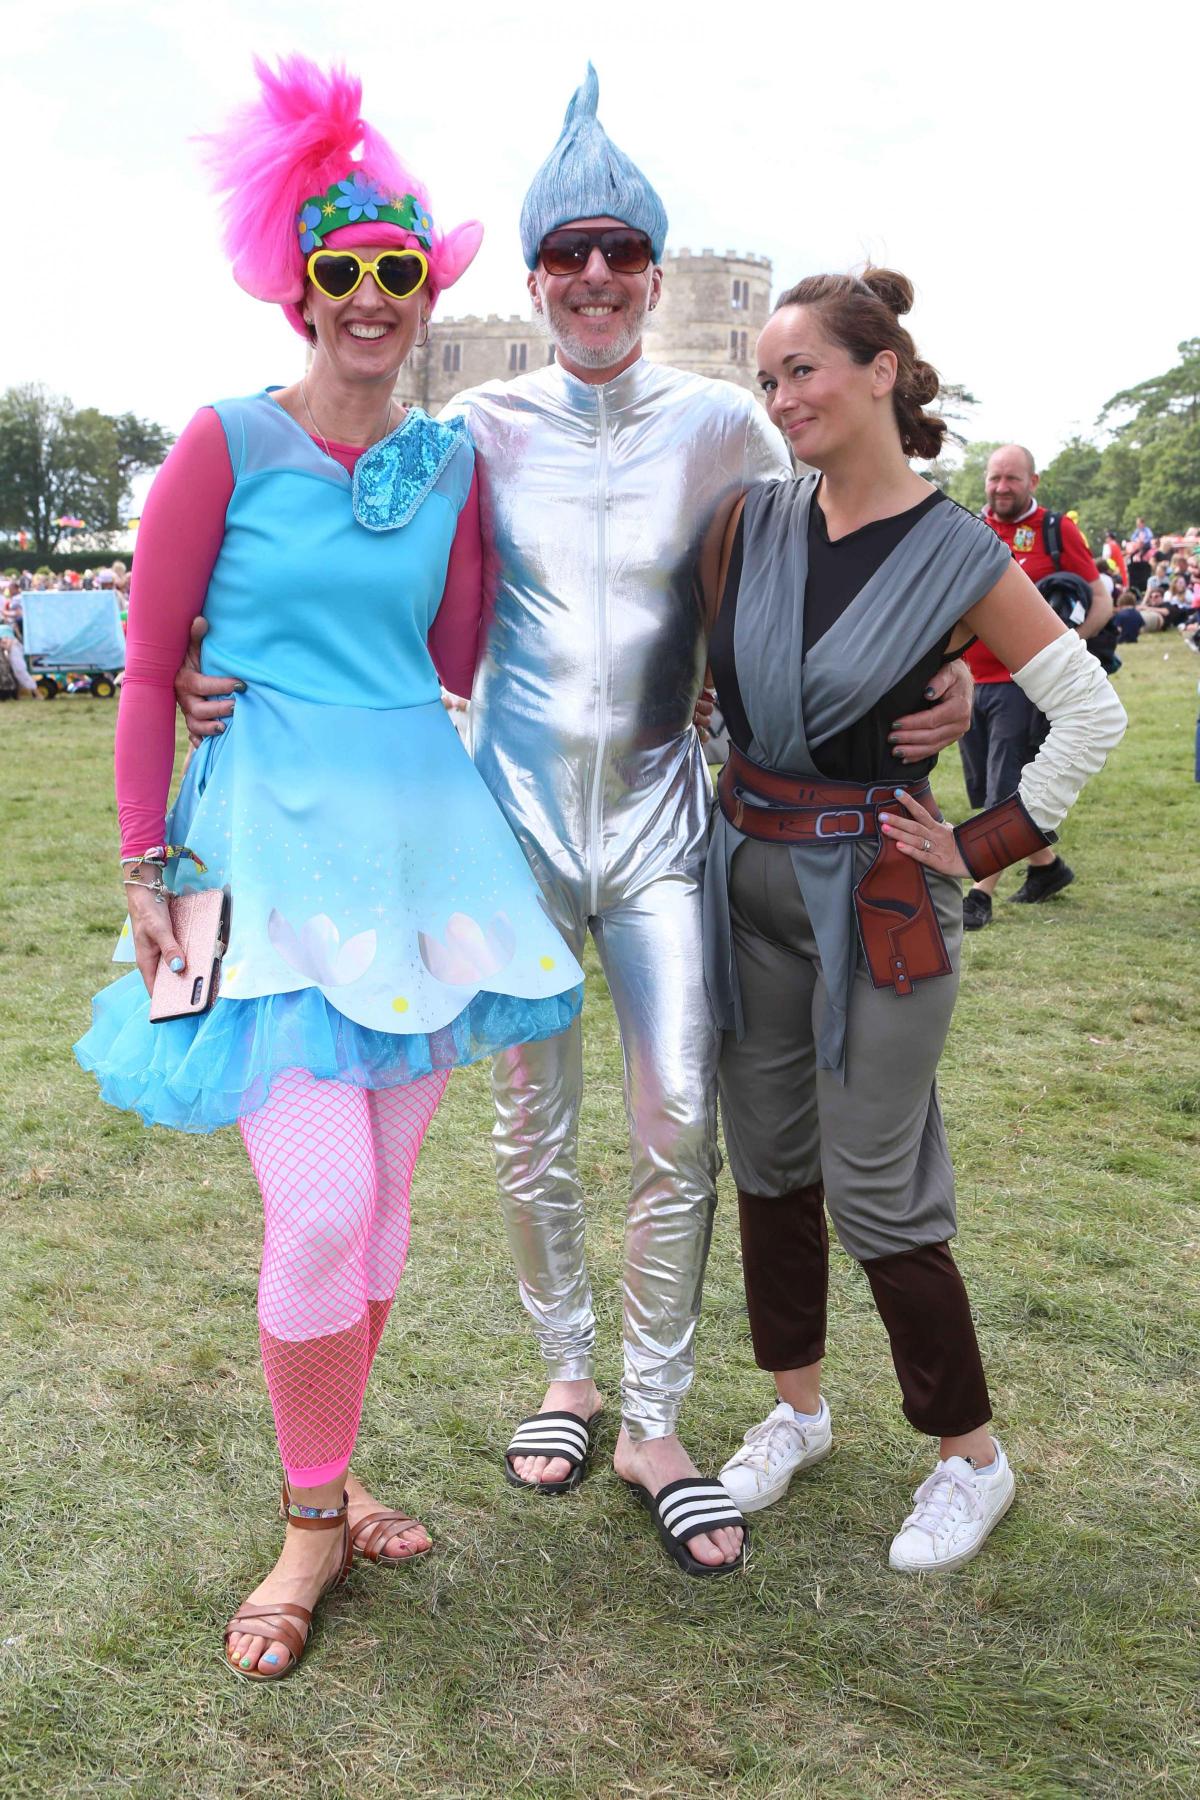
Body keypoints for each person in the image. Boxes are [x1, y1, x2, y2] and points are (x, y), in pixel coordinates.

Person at [177, 66, 975, 1578]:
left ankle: (655, 1417)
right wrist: (218, 653)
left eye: (620, 253)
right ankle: (564, 1372)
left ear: (655, 275)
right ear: (539, 279)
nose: (596, 277)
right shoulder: (471, 425)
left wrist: (940, 671)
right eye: (568, 254)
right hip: (511, 827)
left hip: (668, 823)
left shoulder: (729, 425)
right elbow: (313, 520)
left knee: (678, 1118)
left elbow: (860, 537)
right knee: (529, 1121)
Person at [74, 56, 584, 1680]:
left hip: (426, 867)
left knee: (375, 1225)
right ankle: (308, 1526)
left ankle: (333, 1464)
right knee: (314, 1206)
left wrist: (469, 518)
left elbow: (446, 648)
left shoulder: (452, 466)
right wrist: (146, 860)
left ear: (423, 295)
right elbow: (151, 671)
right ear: (300, 290)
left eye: (396, 275)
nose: (369, 299)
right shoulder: (221, 442)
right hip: (234, 861)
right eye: (340, 275)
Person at [703, 268, 1126, 1570]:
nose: (783, 400)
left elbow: (1089, 710)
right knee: (770, 1162)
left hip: (882, 899)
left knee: (879, 1185)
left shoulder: (959, 553)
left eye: (804, 372)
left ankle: (970, 1458)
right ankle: (797, 1410)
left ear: (881, 371)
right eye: (769, 381)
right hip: (746, 880)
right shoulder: (749, 523)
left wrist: (985, 840)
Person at [957, 444, 1111, 929]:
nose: (1002, 487)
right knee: (984, 786)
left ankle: (979, 894)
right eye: (995, 478)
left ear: (1033, 482)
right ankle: (1047, 869)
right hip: (972, 680)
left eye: (1013, 479)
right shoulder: (970, 528)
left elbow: (1100, 598)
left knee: (1006, 787)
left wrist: (1064, 653)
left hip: (1022, 683)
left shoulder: (1055, 529)